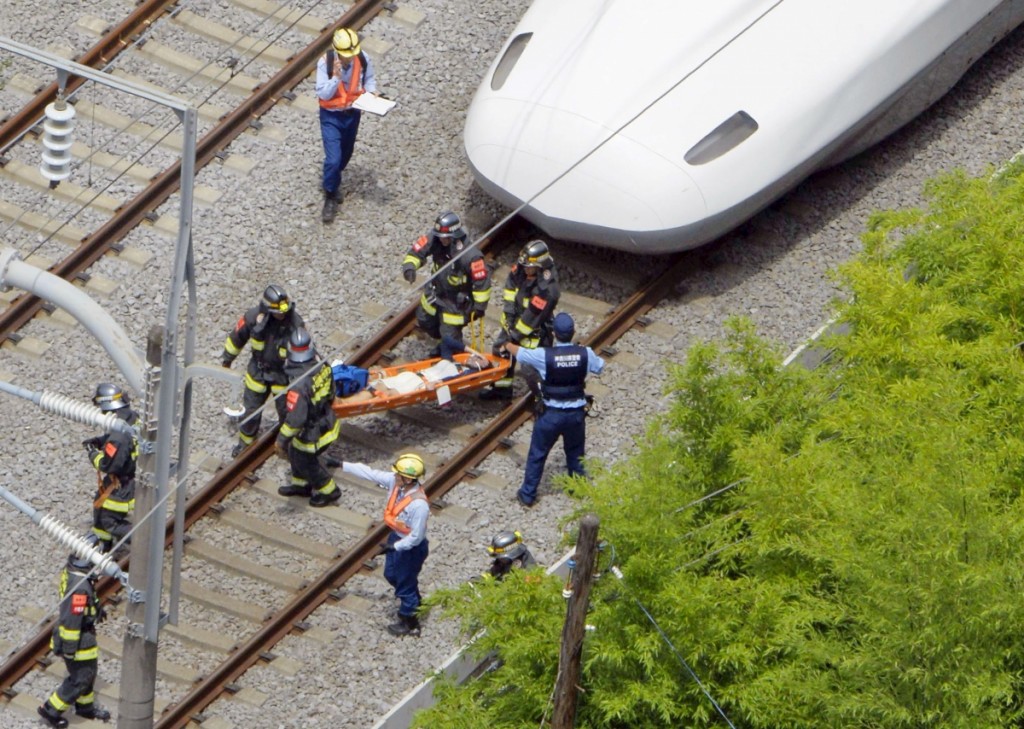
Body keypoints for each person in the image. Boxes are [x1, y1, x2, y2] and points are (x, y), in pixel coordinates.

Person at [506, 312, 604, 507]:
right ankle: (577, 489)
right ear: (573, 332)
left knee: (538, 454)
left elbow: (522, 354)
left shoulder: (545, 356)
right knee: (576, 453)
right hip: (576, 415)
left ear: (554, 333)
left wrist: (507, 344)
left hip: (551, 414)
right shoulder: (585, 353)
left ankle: (528, 495)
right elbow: (600, 367)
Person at [340, 454, 430, 636]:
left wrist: (396, 547)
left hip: (410, 547)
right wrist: (343, 465)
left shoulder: (419, 505)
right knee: (391, 574)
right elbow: (370, 474)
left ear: (408, 479)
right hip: (396, 539)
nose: (394, 477)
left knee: (404, 583)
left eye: (398, 475)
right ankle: (415, 601)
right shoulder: (396, 484)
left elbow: (417, 536)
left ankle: (410, 622)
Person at [222, 285, 304, 457]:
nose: (282, 315)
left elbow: (303, 351)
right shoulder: (253, 317)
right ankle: (246, 444)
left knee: (286, 412)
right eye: (278, 311)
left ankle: (287, 446)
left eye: (284, 311)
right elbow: (237, 337)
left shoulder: (295, 323)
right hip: (257, 373)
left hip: (282, 376)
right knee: (250, 410)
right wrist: (227, 359)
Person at [38, 536, 110, 727]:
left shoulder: (75, 574)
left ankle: (84, 708)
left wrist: (96, 609)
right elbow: (72, 620)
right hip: (78, 640)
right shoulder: (80, 588)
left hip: (81, 636)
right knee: (81, 678)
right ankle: (51, 710)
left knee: (89, 672)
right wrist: (70, 648)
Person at [401, 211, 491, 358]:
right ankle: (443, 343)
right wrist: (410, 268)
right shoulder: (435, 237)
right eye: (440, 237)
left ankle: (453, 357)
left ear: (454, 235)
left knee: (449, 334)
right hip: (435, 292)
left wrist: (479, 307)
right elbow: (416, 252)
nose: (442, 240)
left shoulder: (470, 255)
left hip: (455, 303)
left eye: (446, 238)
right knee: (424, 319)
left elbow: (482, 283)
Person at [480, 240, 560, 400]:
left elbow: (533, 316)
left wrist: (514, 337)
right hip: (513, 322)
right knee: (500, 352)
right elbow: (510, 286)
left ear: (539, 266)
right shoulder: (523, 267)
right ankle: (502, 389)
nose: (525, 269)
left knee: (531, 369)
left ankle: (545, 399)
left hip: (534, 332)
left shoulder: (547, 289)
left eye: (529, 267)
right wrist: (509, 314)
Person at [315, 27, 378, 224]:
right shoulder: (324, 63)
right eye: (345, 56)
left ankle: (333, 178)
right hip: (331, 117)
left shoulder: (363, 58)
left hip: (352, 114)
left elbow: (369, 80)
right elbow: (323, 94)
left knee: (346, 154)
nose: (349, 59)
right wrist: (335, 78)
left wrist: (372, 92)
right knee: (334, 159)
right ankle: (330, 193)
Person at [276, 328, 342, 507]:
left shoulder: (299, 384)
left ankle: (329, 490)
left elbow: (296, 419)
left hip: (313, 431)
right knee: (294, 453)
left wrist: (281, 439)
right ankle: (301, 485)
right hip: (326, 420)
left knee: (305, 461)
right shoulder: (321, 363)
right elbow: (331, 392)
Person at [82, 383, 139, 553]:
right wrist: (101, 441)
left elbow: (108, 465)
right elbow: (117, 437)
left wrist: (93, 454)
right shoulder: (131, 417)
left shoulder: (118, 438)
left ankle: (142, 539)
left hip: (122, 484)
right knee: (100, 512)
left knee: (109, 520)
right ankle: (104, 545)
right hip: (125, 476)